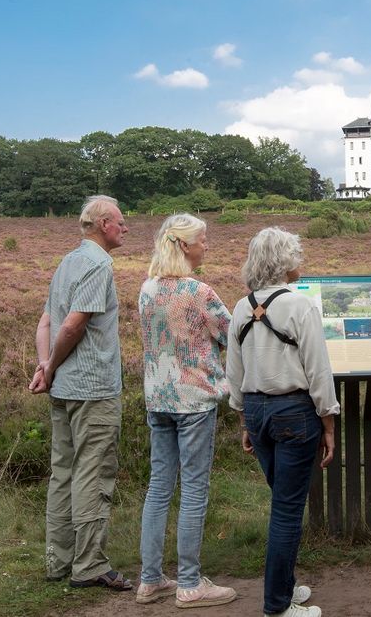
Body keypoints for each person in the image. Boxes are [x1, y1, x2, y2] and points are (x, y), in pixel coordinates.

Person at [226, 227, 340, 617]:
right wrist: (329, 423)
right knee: (287, 510)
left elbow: (235, 372)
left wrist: (245, 420)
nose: (300, 260)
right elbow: (318, 370)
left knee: (283, 502)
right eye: (296, 253)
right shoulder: (300, 306)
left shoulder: (241, 307)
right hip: (295, 413)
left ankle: (285, 588)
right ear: (284, 261)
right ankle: (277, 606)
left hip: (257, 412)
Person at [133, 213, 238, 608]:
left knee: (159, 486)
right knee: (194, 489)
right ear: (184, 245)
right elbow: (231, 334)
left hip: (158, 397)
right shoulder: (199, 291)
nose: (206, 245)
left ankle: (150, 580)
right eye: (202, 240)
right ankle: (191, 584)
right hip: (193, 400)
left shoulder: (147, 289)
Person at [29, 195, 133, 591]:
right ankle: (89, 565)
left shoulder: (67, 262)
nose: (125, 228)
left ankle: (58, 561)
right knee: (93, 472)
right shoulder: (97, 264)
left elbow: (46, 323)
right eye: (120, 222)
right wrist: (51, 366)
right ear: (104, 224)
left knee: (64, 473)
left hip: (64, 388)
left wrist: (45, 366)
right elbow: (72, 325)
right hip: (92, 389)